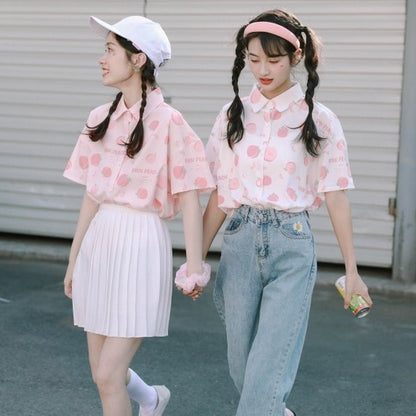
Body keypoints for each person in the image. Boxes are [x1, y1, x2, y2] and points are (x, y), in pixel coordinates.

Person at [201, 9, 373, 416]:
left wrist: (351, 270)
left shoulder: (320, 120)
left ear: (296, 57)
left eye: (273, 60)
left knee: (267, 372)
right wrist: (196, 258)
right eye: (253, 58)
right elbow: (220, 195)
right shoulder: (232, 116)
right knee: (245, 366)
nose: (261, 69)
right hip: (240, 238)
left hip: (291, 242)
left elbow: (335, 195)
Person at [63, 15, 214, 416]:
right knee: (100, 372)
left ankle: (147, 399)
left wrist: (194, 266)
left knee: (110, 374)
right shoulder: (99, 118)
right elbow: (92, 196)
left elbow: (189, 197)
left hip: (141, 244)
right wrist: (73, 259)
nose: (102, 59)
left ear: (138, 59)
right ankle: (150, 398)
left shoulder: (169, 122)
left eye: (111, 50)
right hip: (100, 241)